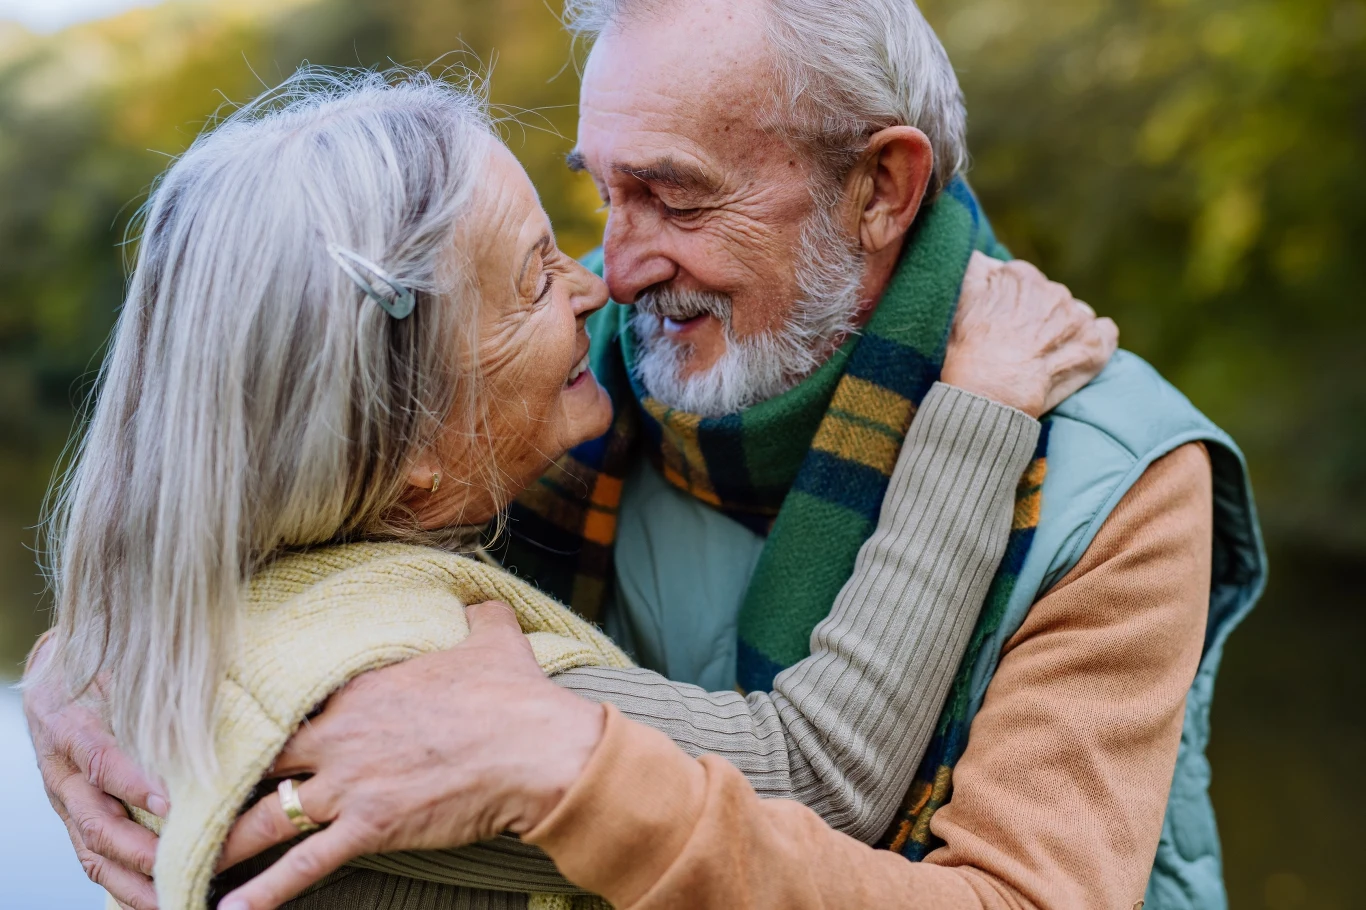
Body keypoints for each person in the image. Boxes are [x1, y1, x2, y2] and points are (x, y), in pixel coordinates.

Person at [185, 1, 1267, 908]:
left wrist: (572, 770)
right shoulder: (521, 412)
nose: (613, 268)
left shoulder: (1114, 474)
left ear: (881, 189)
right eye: (602, 191)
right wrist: (105, 669)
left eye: (676, 194)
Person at [21, 68, 1114, 910]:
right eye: (535, 279)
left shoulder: (207, 612)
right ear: (410, 453)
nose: (599, 283)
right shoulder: (413, 683)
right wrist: (977, 412)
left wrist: (80, 649)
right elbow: (820, 770)